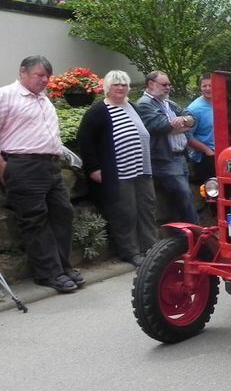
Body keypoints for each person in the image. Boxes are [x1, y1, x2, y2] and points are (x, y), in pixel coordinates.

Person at [0, 55, 83, 293]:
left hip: (49, 165)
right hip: (22, 165)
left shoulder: (44, 100)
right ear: (22, 72)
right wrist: (4, 167)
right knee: (35, 220)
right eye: (40, 75)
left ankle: (62, 267)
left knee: (63, 213)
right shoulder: (6, 95)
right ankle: (48, 273)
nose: (45, 80)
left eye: (48, 75)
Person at [77, 70, 157, 267]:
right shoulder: (99, 112)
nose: (120, 88)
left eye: (124, 84)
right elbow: (84, 141)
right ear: (107, 88)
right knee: (125, 213)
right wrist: (94, 169)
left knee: (147, 209)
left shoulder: (132, 107)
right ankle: (130, 252)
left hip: (142, 170)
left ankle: (151, 248)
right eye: (116, 84)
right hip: (119, 173)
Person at [135, 70, 199, 225]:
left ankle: (185, 235)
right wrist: (182, 124)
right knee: (184, 196)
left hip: (180, 157)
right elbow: (161, 125)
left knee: (183, 198)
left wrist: (183, 121)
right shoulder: (144, 104)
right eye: (164, 84)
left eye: (169, 84)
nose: (168, 87)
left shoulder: (167, 102)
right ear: (151, 84)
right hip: (164, 160)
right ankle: (197, 236)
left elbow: (192, 118)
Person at [186, 73, 215, 184]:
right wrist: (207, 151)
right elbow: (188, 136)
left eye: (210, 85)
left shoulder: (222, 103)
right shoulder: (194, 109)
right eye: (204, 86)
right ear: (200, 87)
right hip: (205, 158)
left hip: (224, 155)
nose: (207, 89)